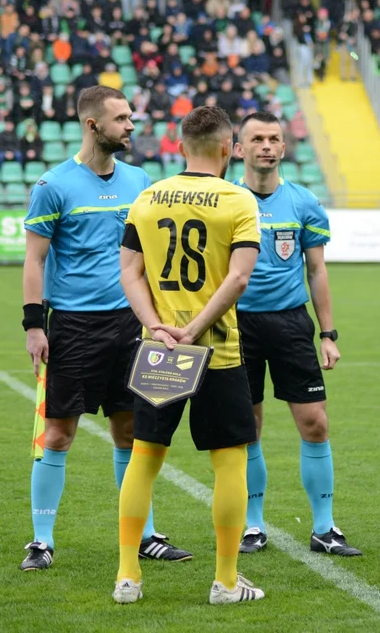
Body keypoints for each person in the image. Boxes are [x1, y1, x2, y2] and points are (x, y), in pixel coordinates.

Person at [20, 86, 190, 572]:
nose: (131, 126)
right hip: (72, 325)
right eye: (121, 118)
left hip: (131, 326)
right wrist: (35, 325)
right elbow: (34, 259)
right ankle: (42, 539)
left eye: (131, 117)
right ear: (93, 125)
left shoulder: (140, 180)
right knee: (57, 434)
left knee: (132, 430)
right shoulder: (53, 185)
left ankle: (145, 534)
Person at [114, 106, 265, 606]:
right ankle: (225, 582)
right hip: (217, 348)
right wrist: (195, 327)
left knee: (145, 457)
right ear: (229, 148)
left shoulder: (148, 196)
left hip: (159, 349)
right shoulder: (239, 200)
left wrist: (156, 326)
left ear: (181, 147)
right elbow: (239, 278)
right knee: (228, 464)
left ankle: (128, 576)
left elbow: (130, 273)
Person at [231, 111, 361, 557]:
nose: (266, 146)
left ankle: (324, 527)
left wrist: (328, 333)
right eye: (257, 139)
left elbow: (317, 270)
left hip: (290, 324)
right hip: (237, 325)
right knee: (248, 427)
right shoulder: (227, 200)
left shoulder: (304, 202)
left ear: (284, 148)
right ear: (238, 149)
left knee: (315, 423)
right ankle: (252, 525)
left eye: (274, 139)